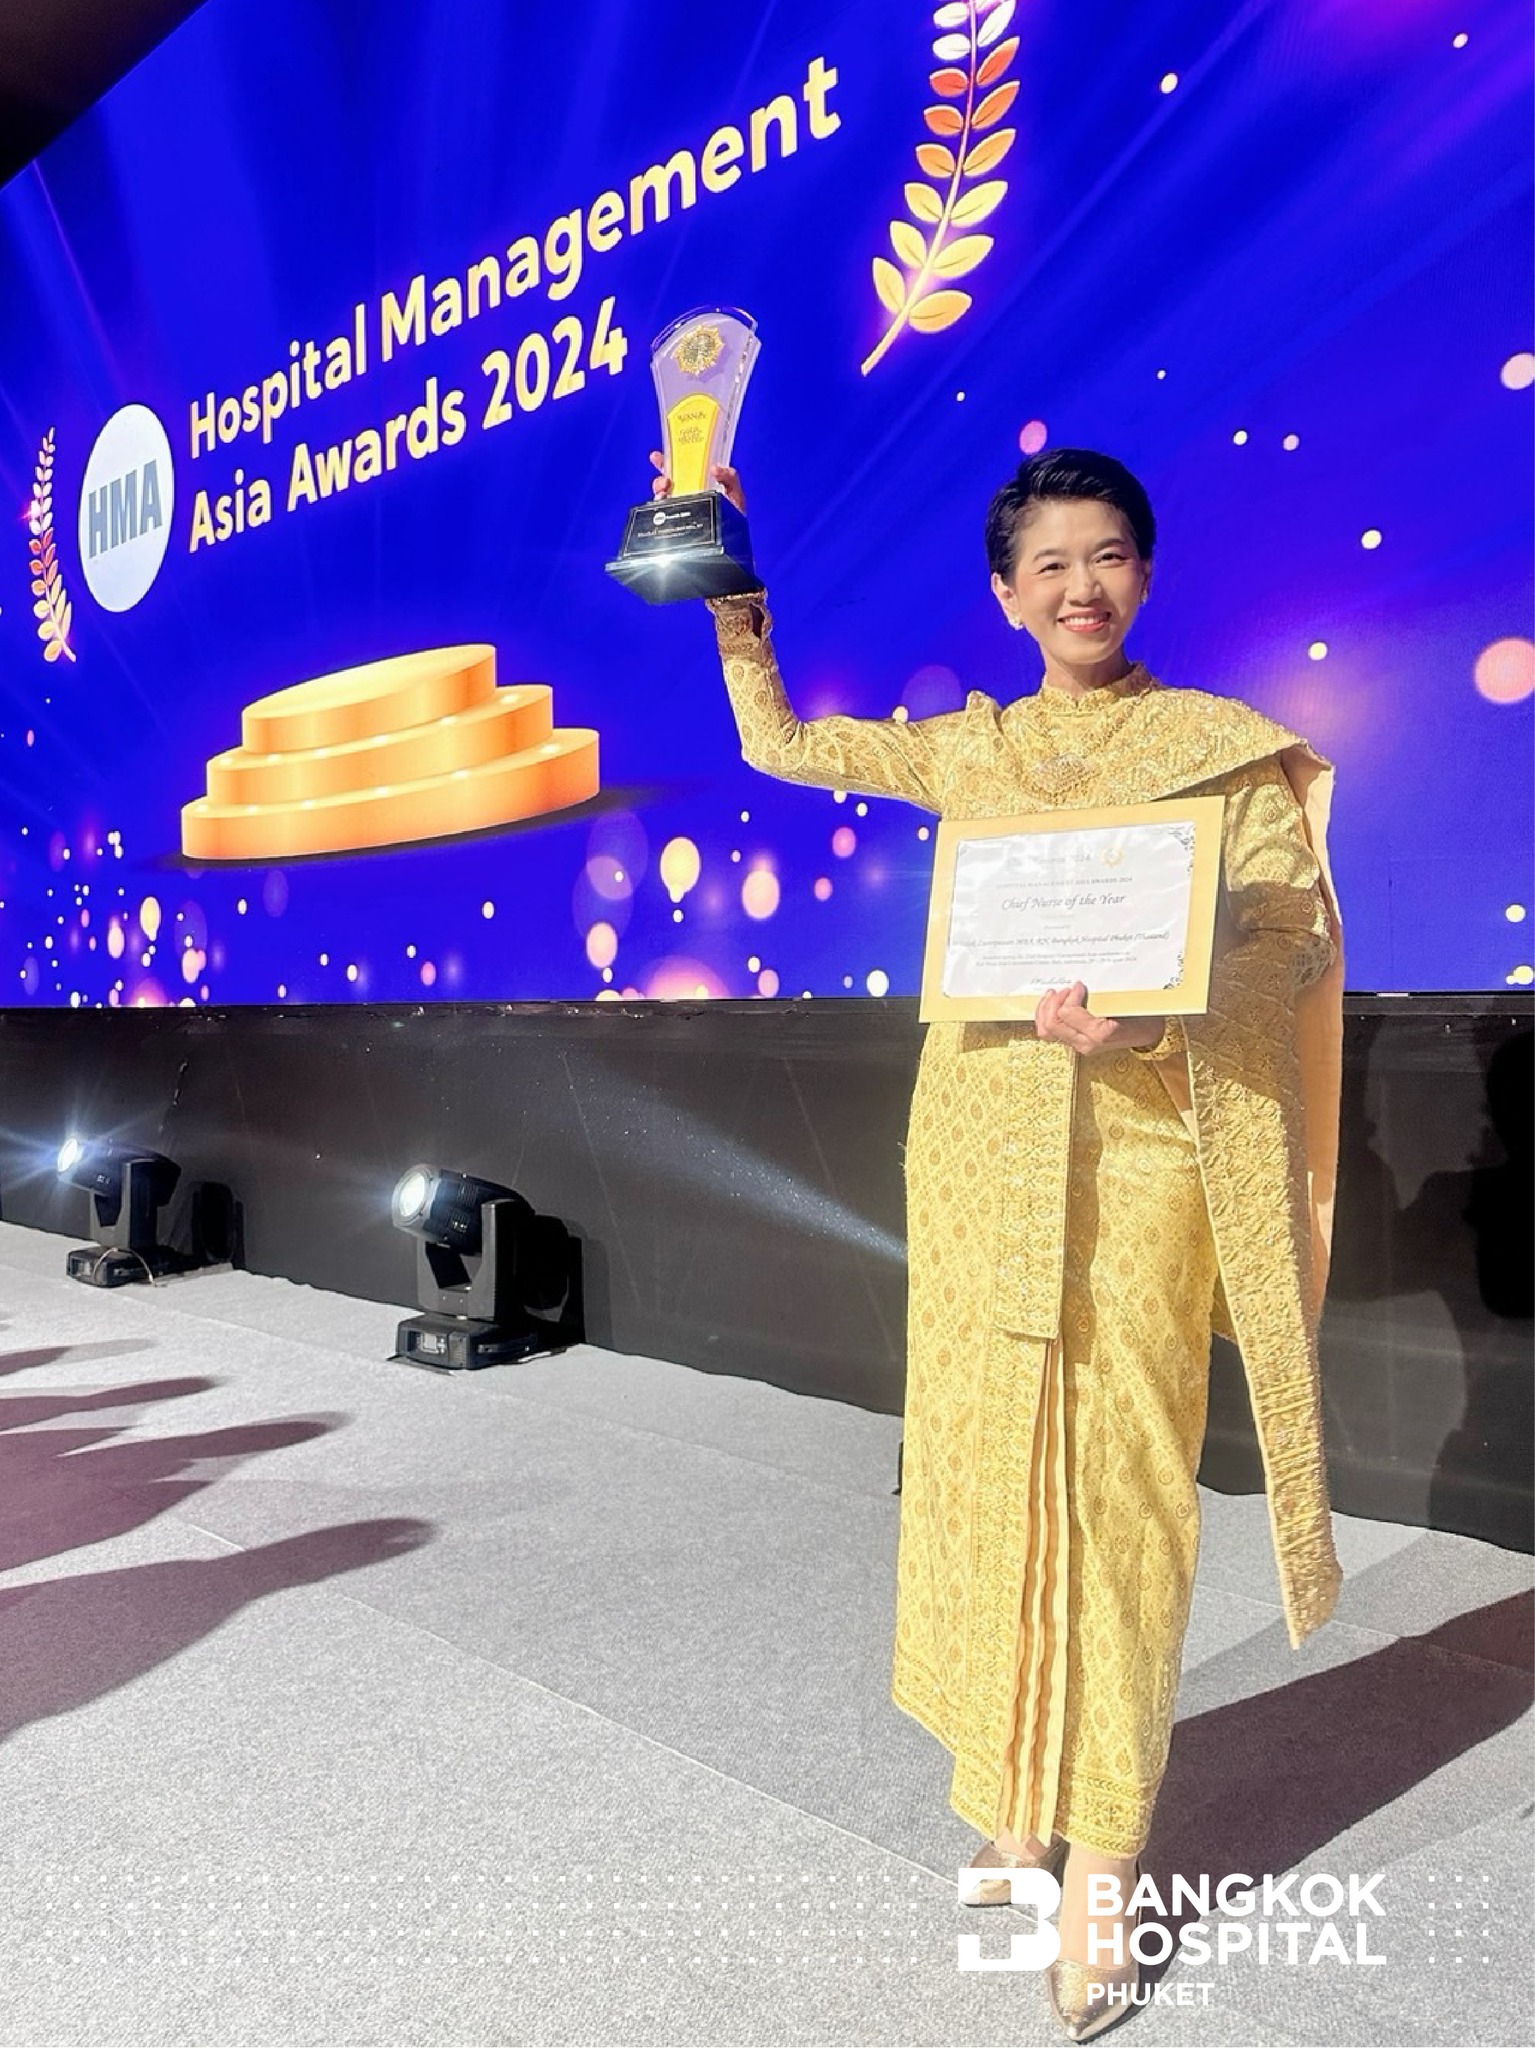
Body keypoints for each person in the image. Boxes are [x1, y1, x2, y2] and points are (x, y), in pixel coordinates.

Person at [651, 444, 1345, 2040]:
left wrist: (1163, 1014)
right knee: (985, 1478)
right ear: (1006, 594)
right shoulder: (975, 750)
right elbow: (782, 746)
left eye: (1109, 556)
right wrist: (735, 608)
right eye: (1050, 564)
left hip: (1144, 1161)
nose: (1081, 586)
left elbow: (1288, 938)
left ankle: (1103, 1863)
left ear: (1145, 572)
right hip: (977, 1156)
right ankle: (1016, 1806)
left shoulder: (1218, 749)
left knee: (1122, 1498)